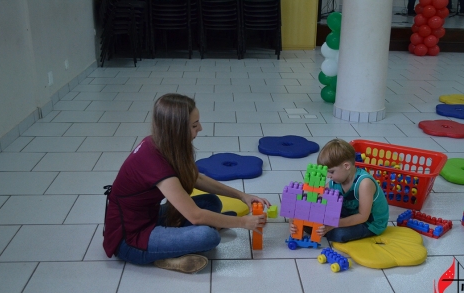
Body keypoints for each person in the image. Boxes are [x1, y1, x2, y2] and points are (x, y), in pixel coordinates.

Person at [103, 93, 270, 274]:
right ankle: (165, 256)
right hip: (130, 240)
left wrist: (241, 195)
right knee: (208, 237)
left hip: (147, 217)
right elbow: (196, 216)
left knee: (212, 202)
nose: (201, 128)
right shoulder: (155, 163)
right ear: (176, 130)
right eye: (194, 125)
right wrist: (243, 222)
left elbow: (196, 178)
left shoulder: (160, 142)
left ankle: (178, 242)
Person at [290, 139, 389, 243]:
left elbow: (363, 216)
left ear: (346, 166)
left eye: (331, 171)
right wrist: (294, 219)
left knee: (339, 234)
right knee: (310, 219)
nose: (328, 176)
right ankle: (328, 226)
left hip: (369, 223)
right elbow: (313, 200)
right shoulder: (336, 180)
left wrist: (331, 224)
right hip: (348, 213)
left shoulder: (364, 183)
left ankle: (329, 228)